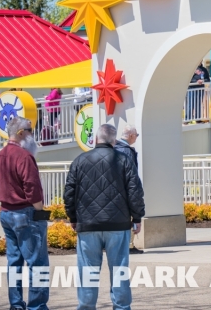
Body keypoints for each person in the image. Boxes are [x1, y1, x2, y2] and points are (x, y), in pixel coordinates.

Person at [64, 123, 145, 310]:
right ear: (114, 140)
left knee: (87, 272)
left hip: (87, 225)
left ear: (95, 139)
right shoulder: (124, 160)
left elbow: (69, 193)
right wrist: (137, 217)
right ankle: (122, 307)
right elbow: (135, 191)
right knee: (119, 271)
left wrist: (73, 218)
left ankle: (86, 306)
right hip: (118, 225)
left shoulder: (79, 160)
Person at [0, 116, 49, 310]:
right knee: (37, 262)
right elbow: (32, 187)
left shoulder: (0, 155)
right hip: (24, 213)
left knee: (14, 262)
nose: (32, 134)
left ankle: (16, 305)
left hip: (6, 212)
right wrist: (40, 211)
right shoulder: (24, 156)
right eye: (29, 130)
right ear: (20, 133)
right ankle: (37, 306)